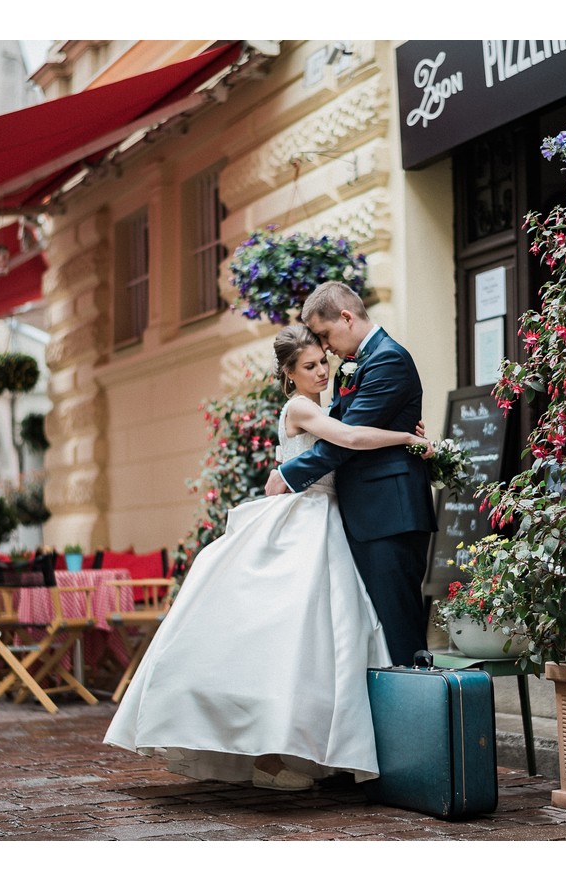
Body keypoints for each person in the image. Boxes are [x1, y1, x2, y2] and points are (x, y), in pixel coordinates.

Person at [104, 325, 433, 792]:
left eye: (324, 362)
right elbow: (351, 439)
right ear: (288, 374)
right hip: (304, 520)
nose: (322, 371)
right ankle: (269, 751)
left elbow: (353, 430)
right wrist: (407, 437)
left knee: (327, 643)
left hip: (332, 521)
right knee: (288, 638)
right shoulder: (301, 407)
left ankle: (320, 747)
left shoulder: (325, 404)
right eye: (310, 366)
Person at [265, 282, 437, 667]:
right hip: (363, 515)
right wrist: (404, 434)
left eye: (325, 337)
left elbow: (345, 439)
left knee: (399, 629)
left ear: (346, 317)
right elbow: (343, 429)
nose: (324, 349)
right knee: (371, 628)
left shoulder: (387, 359)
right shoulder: (358, 363)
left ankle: (416, 720)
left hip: (387, 514)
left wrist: (290, 473)